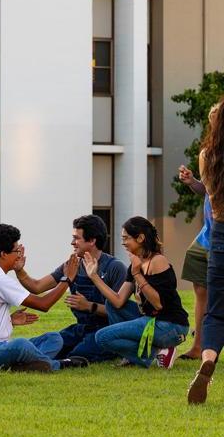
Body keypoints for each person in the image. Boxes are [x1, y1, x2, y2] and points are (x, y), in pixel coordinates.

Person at [0, 223, 90, 372]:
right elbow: (43, 304)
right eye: (16, 250)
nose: (19, 255)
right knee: (21, 345)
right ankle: (58, 365)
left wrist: (8, 321)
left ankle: (25, 366)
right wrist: (67, 279)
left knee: (54, 338)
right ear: (3, 254)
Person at [15, 215, 126, 363]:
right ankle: (21, 360)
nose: (72, 242)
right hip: (81, 328)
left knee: (77, 354)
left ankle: (114, 350)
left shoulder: (115, 267)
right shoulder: (72, 264)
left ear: (92, 240)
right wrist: (19, 270)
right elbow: (37, 287)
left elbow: (120, 311)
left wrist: (89, 306)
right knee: (54, 345)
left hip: (106, 331)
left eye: (76, 238)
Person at [85, 217, 189, 369]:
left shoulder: (158, 261)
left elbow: (158, 304)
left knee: (102, 337)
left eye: (126, 238)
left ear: (140, 238)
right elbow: (118, 301)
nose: (123, 243)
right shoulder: (135, 264)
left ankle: (153, 354)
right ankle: (154, 351)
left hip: (171, 325)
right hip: (151, 320)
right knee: (111, 306)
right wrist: (94, 277)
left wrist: (137, 274)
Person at [188, 99, 224, 404]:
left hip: (220, 238)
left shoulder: (207, 156)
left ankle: (208, 359)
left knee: (216, 311)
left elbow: (211, 195)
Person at [178, 165, 211, 360]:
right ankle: (198, 346)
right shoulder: (213, 154)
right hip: (206, 236)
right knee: (201, 291)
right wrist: (193, 182)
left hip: (219, 236)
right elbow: (208, 189)